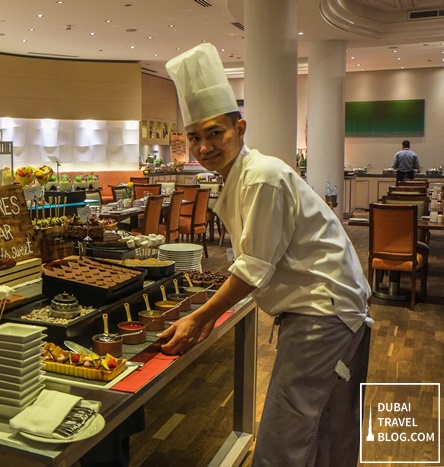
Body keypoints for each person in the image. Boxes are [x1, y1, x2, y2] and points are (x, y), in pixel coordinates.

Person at [160, 43, 373, 467]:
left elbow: (254, 267)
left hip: (324, 315)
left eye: (215, 133)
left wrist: (200, 317)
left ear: (240, 129)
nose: (204, 147)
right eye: (195, 137)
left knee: (285, 439)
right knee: (327, 429)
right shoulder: (241, 176)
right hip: (325, 311)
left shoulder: (261, 178)